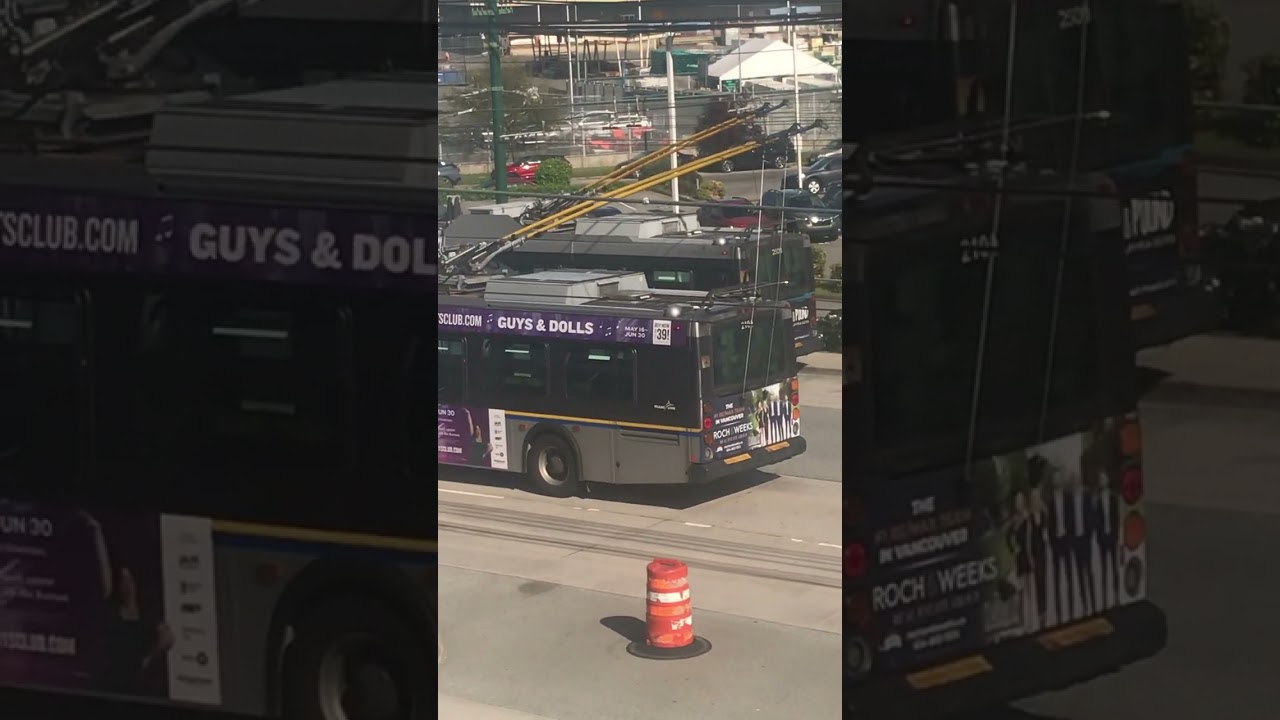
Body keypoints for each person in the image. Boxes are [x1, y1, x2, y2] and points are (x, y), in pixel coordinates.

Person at [82, 512, 174, 695]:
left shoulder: (146, 618)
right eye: (124, 581)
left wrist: (148, 658)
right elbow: (103, 567)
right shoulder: (110, 610)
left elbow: (168, 637)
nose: (127, 584)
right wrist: (96, 531)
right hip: (109, 681)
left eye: (129, 580)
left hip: (132, 683)